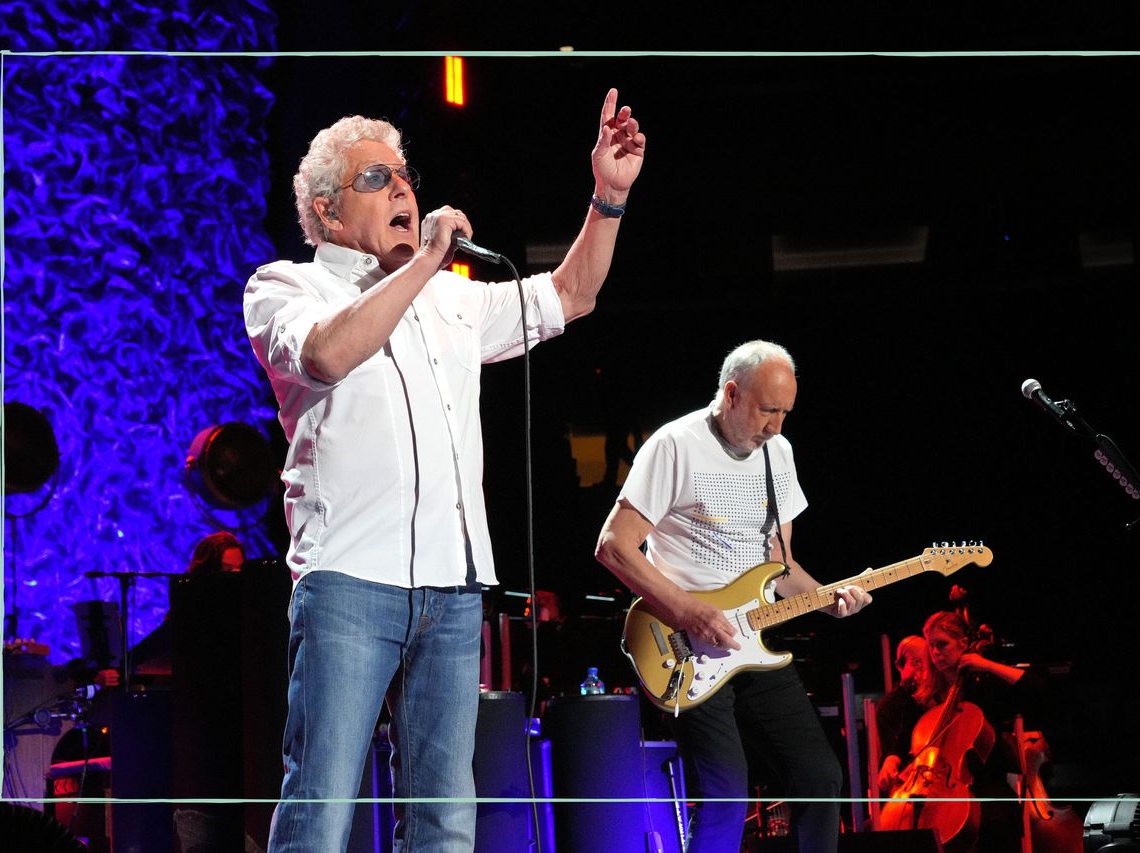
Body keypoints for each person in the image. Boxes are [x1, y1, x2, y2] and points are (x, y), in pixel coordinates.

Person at [243, 88, 645, 853]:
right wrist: (429, 258)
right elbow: (328, 353)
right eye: (376, 180)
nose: (402, 189)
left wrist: (609, 198)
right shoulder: (286, 287)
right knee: (321, 808)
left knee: (444, 820)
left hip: (452, 590)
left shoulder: (450, 301)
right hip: (348, 583)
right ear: (327, 212)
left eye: (405, 176)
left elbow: (571, 292)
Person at [594, 340, 873, 853]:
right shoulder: (674, 444)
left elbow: (780, 564)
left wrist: (829, 598)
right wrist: (689, 612)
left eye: (786, 413)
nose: (776, 428)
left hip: (753, 641)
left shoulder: (779, 454)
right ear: (731, 392)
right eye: (768, 410)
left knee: (819, 777)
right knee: (726, 795)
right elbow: (613, 547)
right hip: (684, 644)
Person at [920, 609, 1047, 852]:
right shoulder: (928, 694)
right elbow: (906, 738)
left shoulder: (985, 685)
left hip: (986, 785)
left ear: (963, 643)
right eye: (931, 645)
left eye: (942, 645)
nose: (935, 652)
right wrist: (891, 759)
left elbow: (1037, 689)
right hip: (936, 789)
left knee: (996, 824)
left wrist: (987, 665)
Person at [874, 635, 931, 793]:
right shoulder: (890, 706)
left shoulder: (933, 697)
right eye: (916, 663)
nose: (924, 670)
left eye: (927, 663)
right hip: (910, 786)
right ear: (900, 665)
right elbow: (893, 751)